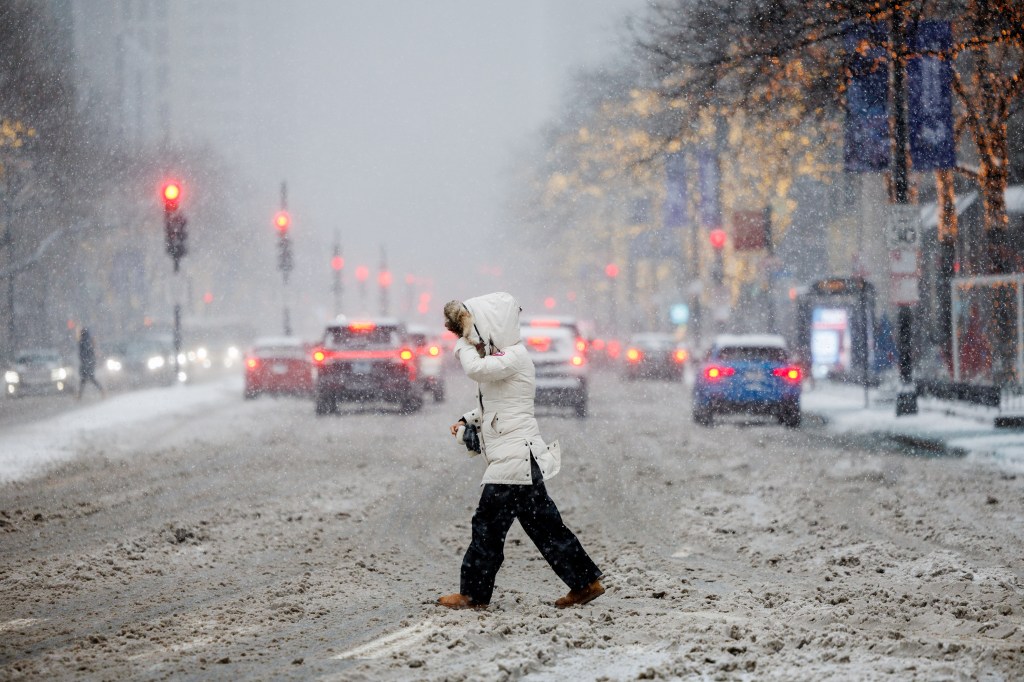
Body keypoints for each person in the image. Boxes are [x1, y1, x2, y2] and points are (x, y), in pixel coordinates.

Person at [437, 292, 604, 609]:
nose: (472, 338)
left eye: (474, 330)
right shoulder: (503, 359)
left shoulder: (513, 356)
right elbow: (498, 401)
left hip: (514, 460)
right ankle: (584, 583)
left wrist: (461, 341)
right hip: (518, 459)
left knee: (487, 527)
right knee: (545, 527)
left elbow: (477, 371)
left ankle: (473, 595)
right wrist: (467, 420)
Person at [77, 327, 105, 399]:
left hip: (86, 362)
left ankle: (79, 395)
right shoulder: (89, 340)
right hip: (90, 362)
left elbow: (83, 352)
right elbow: (91, 352)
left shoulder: (83, 341)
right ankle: (101, 390)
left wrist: (84, 360)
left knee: (85, 379)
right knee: (88, 378)